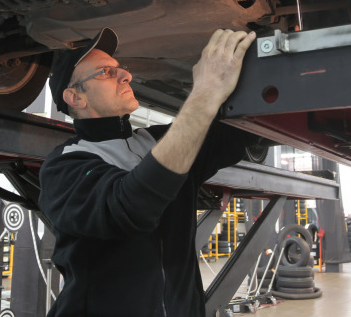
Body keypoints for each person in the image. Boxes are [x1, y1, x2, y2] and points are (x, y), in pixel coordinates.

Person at [38, 27, 259, 316]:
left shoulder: (156, 141)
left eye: (121, 69)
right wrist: (204, 94)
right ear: (75, 98)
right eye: (106, 72)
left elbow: (239, 133)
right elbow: (130, 208)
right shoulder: (65, 166)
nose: (125, 76)